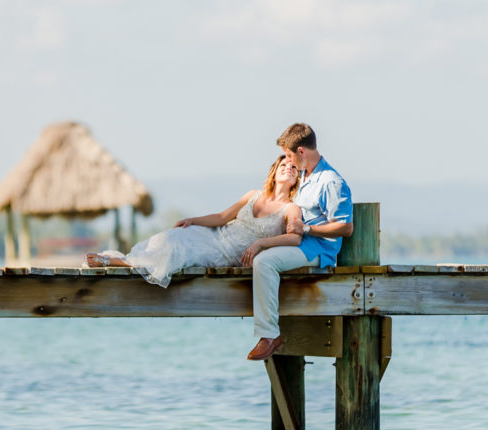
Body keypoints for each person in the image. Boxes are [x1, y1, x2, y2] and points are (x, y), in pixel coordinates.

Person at [86, 156, 302, 288]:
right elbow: (222, 217)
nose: (288, 169)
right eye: (284, 164)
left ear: (297, 179)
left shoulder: (291, 208)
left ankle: (114, 262)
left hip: (226, 254)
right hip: (215, 236)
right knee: (174, 236)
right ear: (275, 171)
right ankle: (127, 259)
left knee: (179, 251)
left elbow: (294, 237)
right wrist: (192, 220)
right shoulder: (253, 194)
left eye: (294, 168)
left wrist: (261, 244)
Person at [244, 123, 354, 361]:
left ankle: (270, 336)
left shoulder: (331, 182)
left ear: (302, 152)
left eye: (290, 155)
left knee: (264, 262)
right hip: (298, 242)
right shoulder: (304, 175)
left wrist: (307, 228)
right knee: (254, 256)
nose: (288, 160)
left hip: (318, 249)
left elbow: (346, 227)